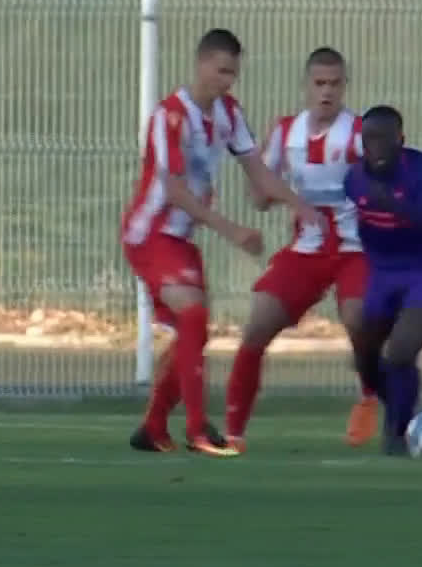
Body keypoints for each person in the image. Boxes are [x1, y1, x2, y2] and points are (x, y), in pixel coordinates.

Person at [121, 28, 324, 456]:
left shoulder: (229, 114)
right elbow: (174, 190)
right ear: (201, 64)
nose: (227, 81)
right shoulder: (170, 116)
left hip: (180, 238)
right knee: (193, 316)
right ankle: (198, 430)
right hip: (149, 234)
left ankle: (154, 427)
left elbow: (258, 171)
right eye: (221, 71)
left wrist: (298, 203)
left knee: (193, 332)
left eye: (233, 73)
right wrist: (230, 229)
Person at [225, 47, 381, 450]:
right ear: (306, 86)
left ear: (345, 87)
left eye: (335, 84)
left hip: (355, 249)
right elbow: (259, 197)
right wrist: (269, 187)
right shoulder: (285, 133)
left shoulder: (361, 134)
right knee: (257, 326)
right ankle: (233, 433)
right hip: (307, 250)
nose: (327, 92)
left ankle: (369, 397)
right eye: (319, 83)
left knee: (358, 318)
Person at [342, 105, 422, 456]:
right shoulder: (354, 178)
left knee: (400, 351)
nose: (376, 147)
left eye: (384, 139)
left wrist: (395, 206)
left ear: (401, 140)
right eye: (369, 139)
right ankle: (410, 406)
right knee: (365, 355)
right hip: (383, 272)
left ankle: (397, 432)